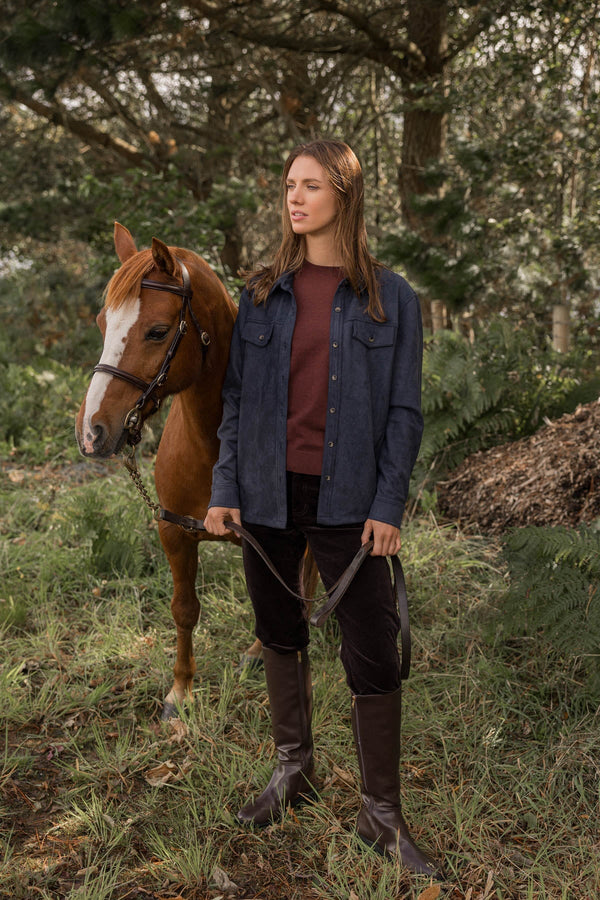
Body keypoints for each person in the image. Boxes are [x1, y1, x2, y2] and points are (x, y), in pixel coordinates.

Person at [204, 139, 441, 877]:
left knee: (371, 652)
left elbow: (404, 411)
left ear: (345, 193)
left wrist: (388, 504)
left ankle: (380, 814)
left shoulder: (391, 297)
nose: (294, 199)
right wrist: (223, 490)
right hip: (265, 494)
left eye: (310, 185)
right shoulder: (263, 290)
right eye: (287, 186)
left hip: (349, 499)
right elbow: (237, 400)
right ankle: (294, 772)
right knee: (279, 632)